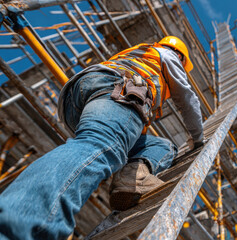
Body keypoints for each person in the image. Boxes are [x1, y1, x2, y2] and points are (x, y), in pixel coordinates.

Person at [0, 36, 204, 239]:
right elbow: (186, 97)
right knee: (99, 145)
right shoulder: (168, 55)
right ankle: (17, 228)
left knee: (161, 146)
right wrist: (198, 139)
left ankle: (134, 178)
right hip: (120, 92)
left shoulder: (142, 51)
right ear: (180, 56)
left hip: (82, 97)